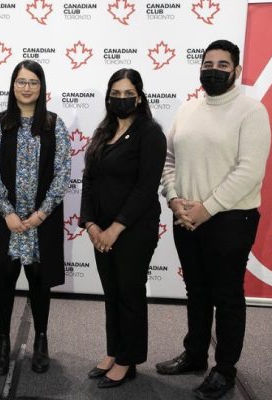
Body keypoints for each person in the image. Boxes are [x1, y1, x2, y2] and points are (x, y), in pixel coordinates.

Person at [158, 40, 271, 400]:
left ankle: (224, 369)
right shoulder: (187, 109)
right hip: (185, 217)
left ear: (236, 71)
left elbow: (250, 171)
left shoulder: (251, 111)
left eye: (223, 64)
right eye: (208, 63)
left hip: (230, 219)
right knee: (196, 291)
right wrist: (175, 201)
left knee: (227, 296)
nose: (214, 69)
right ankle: (194, 355)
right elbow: (169, 160)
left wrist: (206, 208)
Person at [0, 60, 71, 375]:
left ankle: (41, 340)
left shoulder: (54, 124)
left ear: (41, 86)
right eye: (21, 81)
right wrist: (7, 212)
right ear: (13, 85)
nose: (27, 87)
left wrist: (42, 213)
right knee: (3, 283)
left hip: (39, 223)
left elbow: (62, 173)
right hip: (5, 223)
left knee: (39, 282)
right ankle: (2, 342)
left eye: (33, 81)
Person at [80, 69, 166, 389]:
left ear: (139, 97)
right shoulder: (104, 131)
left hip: (133, 231)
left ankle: (128, 360)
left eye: (127, 93)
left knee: (129, 293)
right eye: (115, 93)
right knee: (112, 293)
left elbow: (145, 189)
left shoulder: (150, 133)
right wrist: (90, 224)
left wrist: (114, 229)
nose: (121, 98)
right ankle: (113, 351)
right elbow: (89, 180)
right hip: (100, 230)